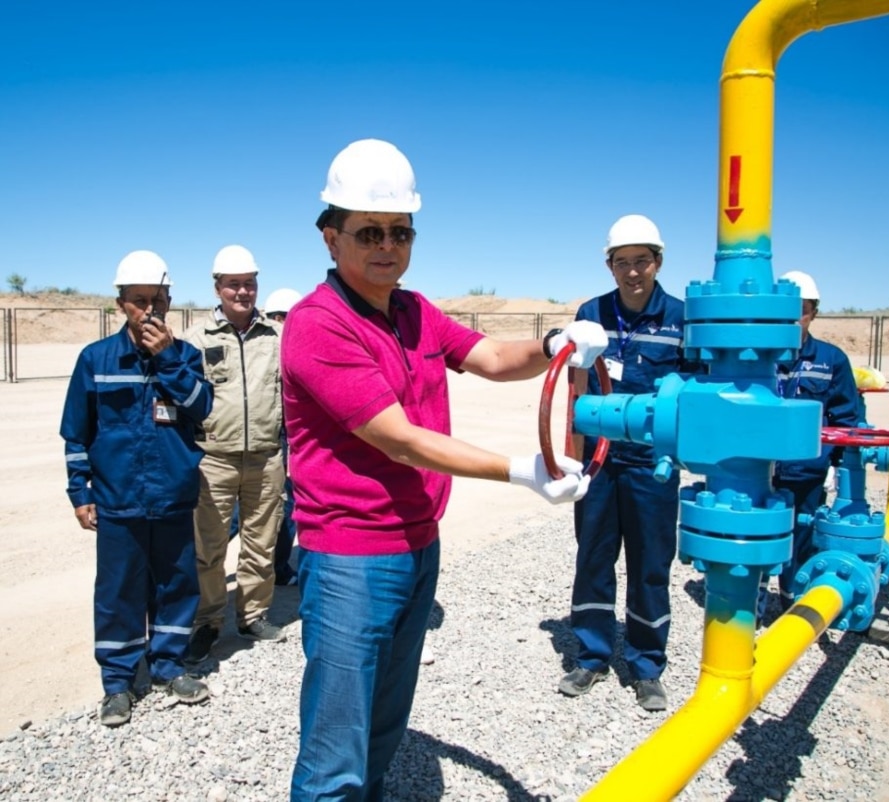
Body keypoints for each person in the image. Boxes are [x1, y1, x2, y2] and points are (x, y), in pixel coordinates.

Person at [281, 137, 607, 801]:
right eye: (369, 231)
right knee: (335, 750)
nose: (387, 245)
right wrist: (523, 470)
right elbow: (399, 440)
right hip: (350, 557)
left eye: (401, 231)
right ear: (330, 238)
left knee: (382, 728)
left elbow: (491, 357)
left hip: (418, 543)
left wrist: (555, 342)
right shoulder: (318, 325)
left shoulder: (414, 311)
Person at [60, 250, 213, 727]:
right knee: (118, 591)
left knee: (176, 584)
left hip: (173, 494)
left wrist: (167, 358)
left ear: (169, 301)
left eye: (157, 300)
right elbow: (76, 433)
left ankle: (169, 667)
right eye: (138, 300)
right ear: (120, 303)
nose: (149, 309)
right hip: (117, 498)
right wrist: (80, 493)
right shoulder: (96, 359)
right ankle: (118, 683)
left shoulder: (185, 356)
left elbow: (201, 407)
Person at [559, 214, 686, 713]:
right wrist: (572, 458)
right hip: (599, 462)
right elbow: (574, 386)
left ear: (658, 262)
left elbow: (693, 391)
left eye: (642, 261)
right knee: (593, 556)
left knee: (650, 562)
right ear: (609, 266)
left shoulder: (681, 319)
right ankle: (591, 655)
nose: (632, 272)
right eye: (622, 262)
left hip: (653, 464)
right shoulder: (591, 314)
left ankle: (647, 665)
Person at [183, 244, 287, 663]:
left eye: (249, 283)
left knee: (261, 543)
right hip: (214, 459)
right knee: (207, 549)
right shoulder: (195, 339)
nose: (242, 292)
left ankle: (253, 615)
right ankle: (207, 622)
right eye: (233, 285)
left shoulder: (277, 337)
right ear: (217, 288)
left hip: (266, 457)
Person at [760, 270, 861, 616]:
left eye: (800, 310)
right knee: (758, 538)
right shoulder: (756, 356)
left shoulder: (831, 361)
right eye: (784, 310)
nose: (793, 319)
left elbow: (846, 419)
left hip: (806, 473)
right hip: (760, 471)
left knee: (802, 540)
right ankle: (753, 604)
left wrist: (836, 465)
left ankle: (793, 606)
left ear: (813, 312)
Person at [263, 287, 303, 585]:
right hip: (277, 436)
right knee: (286, 504)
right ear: (279, 318)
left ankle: (278, 567)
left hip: (273, 434)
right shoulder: (282, 347)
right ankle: (279, 568)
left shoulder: (262, 346)